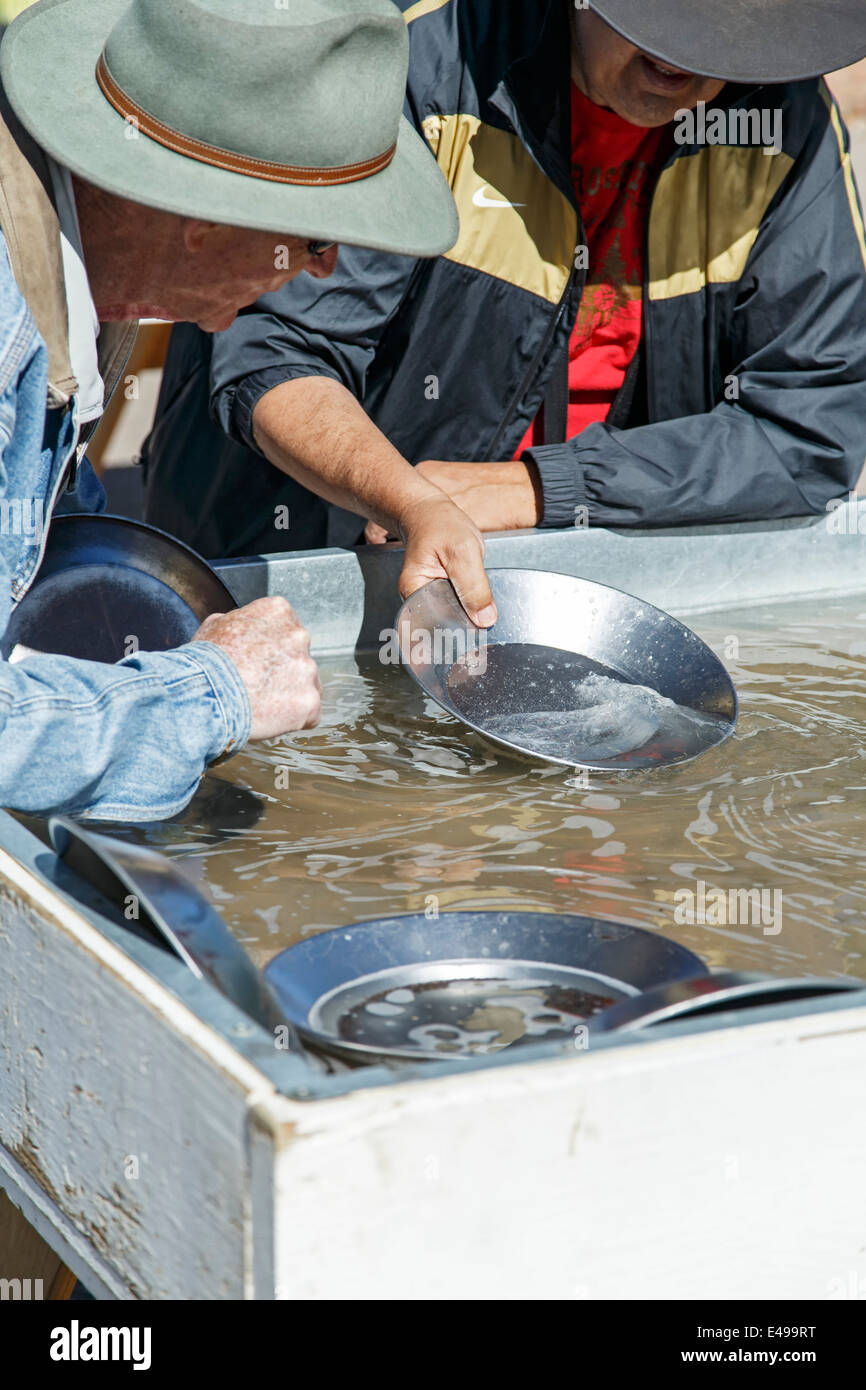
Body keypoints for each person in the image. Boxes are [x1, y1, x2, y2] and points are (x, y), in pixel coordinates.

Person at [143, 0, 866, 589]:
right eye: (660, 24)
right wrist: (410, 500)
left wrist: (545, 488)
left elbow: (807, 427)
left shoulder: (783, 118)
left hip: (591, 572)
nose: (688, 64)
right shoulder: (412, 59)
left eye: (731, 38)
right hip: (306, 567)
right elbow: (274, 355)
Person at [0, 0, 462, 820]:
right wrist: (209, 693)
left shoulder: (73, 267)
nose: (322, 271)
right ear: (204, 216)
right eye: (317, 239)